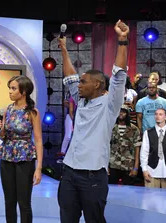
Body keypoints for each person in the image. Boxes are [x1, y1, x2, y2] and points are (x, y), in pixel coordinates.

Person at [57, 20, 129, 223]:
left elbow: (119, 75)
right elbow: (70, 75)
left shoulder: (110, 104)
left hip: (93, 178)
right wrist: (63, 49)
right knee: (67, 219)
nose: (78, 85)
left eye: (83, 82)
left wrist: (122, 40)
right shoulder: (81, 100)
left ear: (97, 84)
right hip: (69, 173)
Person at [0, 75, 43, 223]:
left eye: (13, 88)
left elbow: (39, 140)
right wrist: (0, 129)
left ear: (24, 92)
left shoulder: (32, 112)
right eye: (10, 88)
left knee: (24, 202)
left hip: (25, 157)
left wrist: (39, 167)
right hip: (7, 156)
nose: (10, 91)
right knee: (9, 202)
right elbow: (3, 136)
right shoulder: (7, 109)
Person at [109, 104, 141, 185]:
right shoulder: (111, 128)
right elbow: (106, 147)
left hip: (128, 165)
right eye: (119, 111)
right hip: (113, 164)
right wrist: (105, 166)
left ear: (127, 114)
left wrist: (136, 167)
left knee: (129, 192)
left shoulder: (134, 129)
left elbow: (137, 149)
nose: (121, 113)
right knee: (112, 192)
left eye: (123, 112)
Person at [140, 108, 166, 188]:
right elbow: (144, 152)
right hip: (152, 171)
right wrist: (144, 169)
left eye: (160, 114)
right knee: (151, 199)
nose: (157, 116)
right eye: (156, 114)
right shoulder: (148, 133)